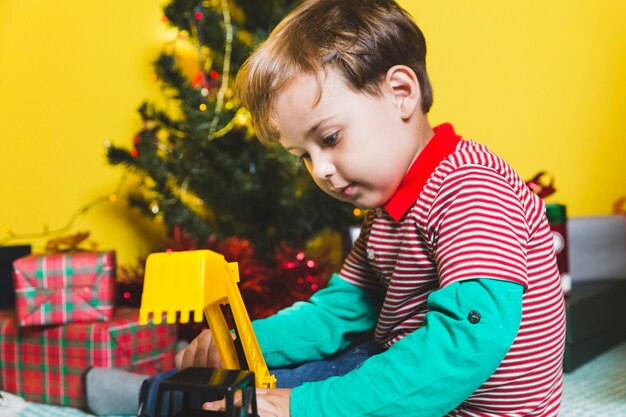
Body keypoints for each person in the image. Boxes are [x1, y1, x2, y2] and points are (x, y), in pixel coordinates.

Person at [85, 0, 565, 416]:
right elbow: (339, 312)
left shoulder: (472, 190)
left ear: (401, 92)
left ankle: (159, 396)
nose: (321, 171)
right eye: (304, 157)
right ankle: (163, 394)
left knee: (298, 393)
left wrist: (309, 407)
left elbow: (466, 345)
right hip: (407, 374)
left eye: (330, 138)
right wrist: (242, 343)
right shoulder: (390, 211)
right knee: (297, 375)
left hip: (463, 404)